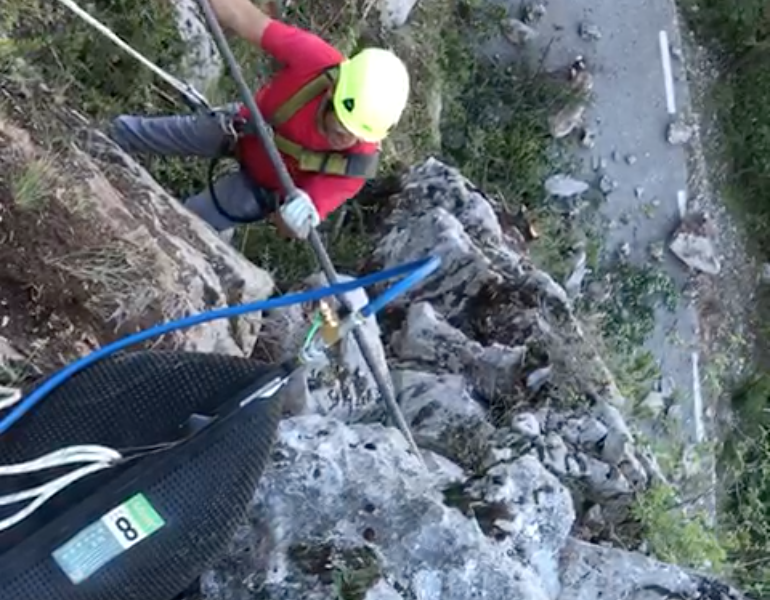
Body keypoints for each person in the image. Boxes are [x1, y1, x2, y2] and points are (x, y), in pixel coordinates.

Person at [109, 0, 411, 240]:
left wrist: (295, 220)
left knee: (184, 224)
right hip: (242, 128)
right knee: (141, 133)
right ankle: (101, 138)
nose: (347, 138)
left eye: (357, 135)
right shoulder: (315, 61)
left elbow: (284, 226)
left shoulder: (356, 164)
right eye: (343, 124)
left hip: (261, 187)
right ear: (333, 89)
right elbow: (244, 18)